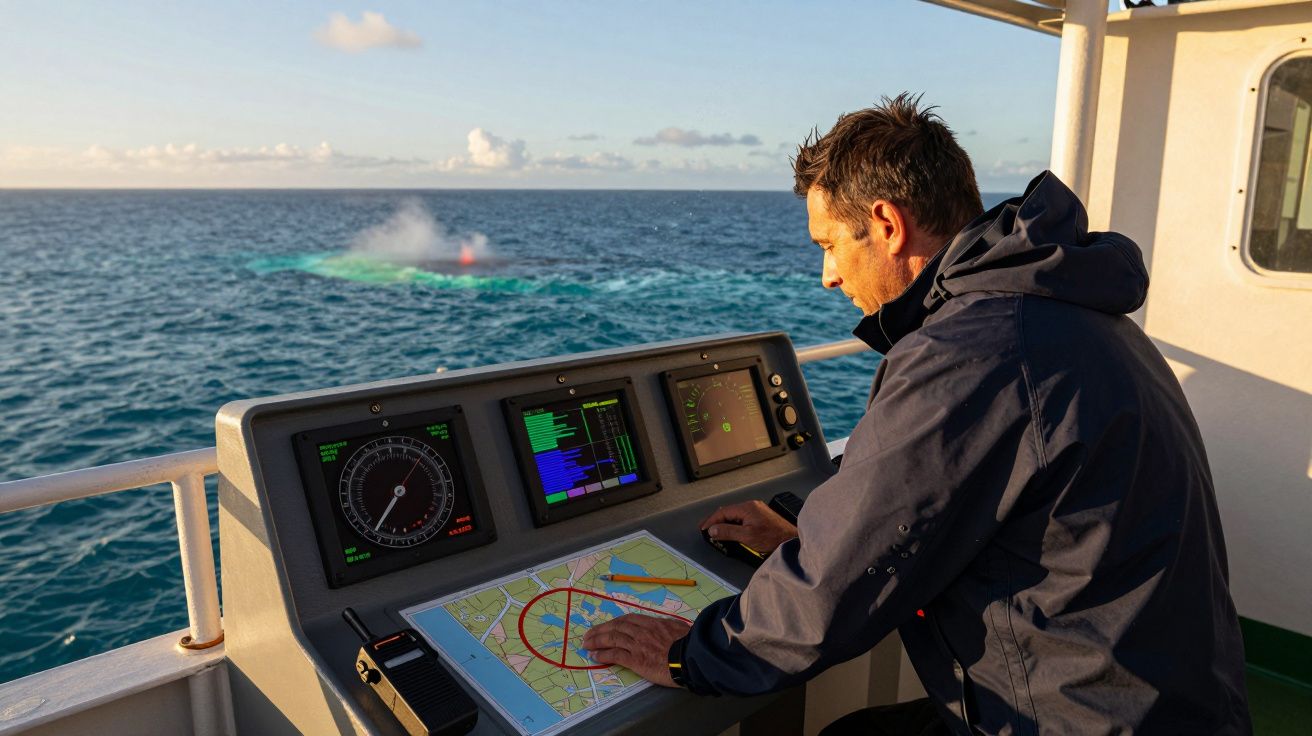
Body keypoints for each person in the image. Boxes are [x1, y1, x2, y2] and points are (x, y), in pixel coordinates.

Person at [581, 93, 1251, 734]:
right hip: (1162, 699)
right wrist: (808, 533)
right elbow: (924, 500)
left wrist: (685, 655)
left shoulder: (971, 351)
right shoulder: (1059, 304)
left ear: (887, 225)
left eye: (828, 245)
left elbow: (827, 598)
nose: (828, 277)